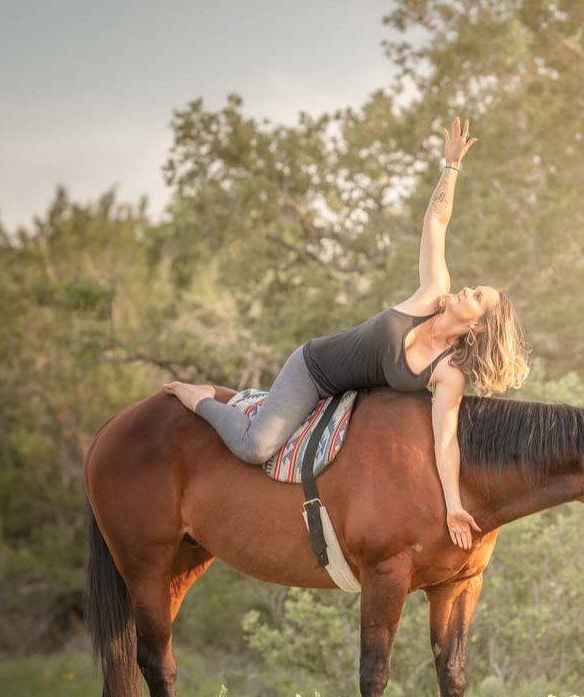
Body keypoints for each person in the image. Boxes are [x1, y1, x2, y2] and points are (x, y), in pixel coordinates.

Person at [165, 118, 529, 550]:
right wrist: (450, 168)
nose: (466, 288)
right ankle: (201, 397)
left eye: (477, 295)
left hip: (350, 403)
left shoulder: (449, 372)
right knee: (256, 445)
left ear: (479, 325)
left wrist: (452, 504)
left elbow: (446, 440)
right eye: (473, 287)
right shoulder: (433, 293)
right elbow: (436, 223)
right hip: (316, 371)